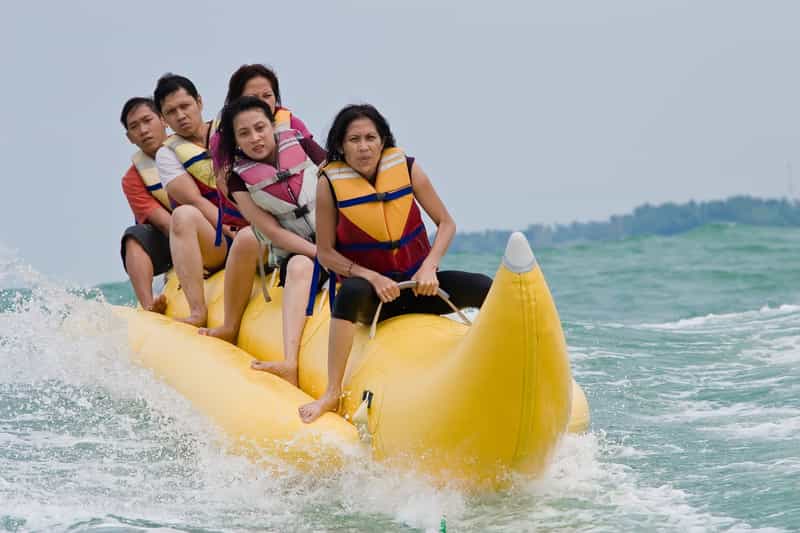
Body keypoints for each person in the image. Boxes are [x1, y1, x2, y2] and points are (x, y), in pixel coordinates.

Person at [298, 105, 492, 423]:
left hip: (421, 288)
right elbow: (326, 253)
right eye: (354, 139)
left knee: (484, 286)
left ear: (383, 140)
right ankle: (333, 391)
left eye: (370, 137)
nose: (363, 146)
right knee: (349, 293)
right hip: (374, 300)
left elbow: (446, 223)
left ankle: (502, 362)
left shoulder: (408, 168)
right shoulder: (329, 184)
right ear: (341, 146)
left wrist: (430, 266)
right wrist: (370, 277)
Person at [200, 97, 323, 387]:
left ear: (272, 126)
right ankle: (290, 363)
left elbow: (341, 183)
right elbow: (270, 230)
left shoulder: (303, 145)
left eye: (260, 128)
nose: (255, 138)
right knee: (299, 269)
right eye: (244, 134)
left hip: (340, 239)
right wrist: (321, 253)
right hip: (299, 250)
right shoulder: (237, 180)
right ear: (235, 142)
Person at [153, 73, 248, 327]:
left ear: (199, 102)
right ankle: (198, 311)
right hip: (217, 238)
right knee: (183, 215)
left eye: (185, 106)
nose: (181, 115)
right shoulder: (167, 154)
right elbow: (195, 200)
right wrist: (230, 229)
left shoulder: (231, 131)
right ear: (163, 119)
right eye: (171, 112)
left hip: (256, 225)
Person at [210, 64, 326, 199]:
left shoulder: (293, 124)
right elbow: (223, 183)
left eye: (267, 95)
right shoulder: (221, 139)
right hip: (248, 211)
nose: (262, 102)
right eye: (252, 97)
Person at [119, 97, 172, 313]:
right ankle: (149, 305)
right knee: (133, 237)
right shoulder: (133, 179)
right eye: (134, 127)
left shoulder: (192, 149)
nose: (143, 130)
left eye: (147, 120)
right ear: (129, 137)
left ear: (163, 119)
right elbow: (166, 224)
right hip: (172, 238)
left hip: (214, 227)